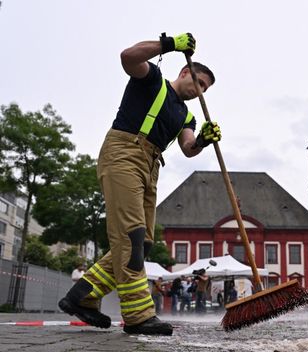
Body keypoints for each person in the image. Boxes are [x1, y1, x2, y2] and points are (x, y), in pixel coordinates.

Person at [57, 32, 221, 335]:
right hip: (123, 153)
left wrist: (203, 140)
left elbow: (188, 149)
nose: (200, 92)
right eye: (199, 83)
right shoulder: (152, 78)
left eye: (205, 90)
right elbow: (128, 56)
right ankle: (138, 316)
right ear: (185, 71)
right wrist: (170, 44)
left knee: (141, 243)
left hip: (151, 166)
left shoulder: (186, 115)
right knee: (130, 235)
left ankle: (82, 296)